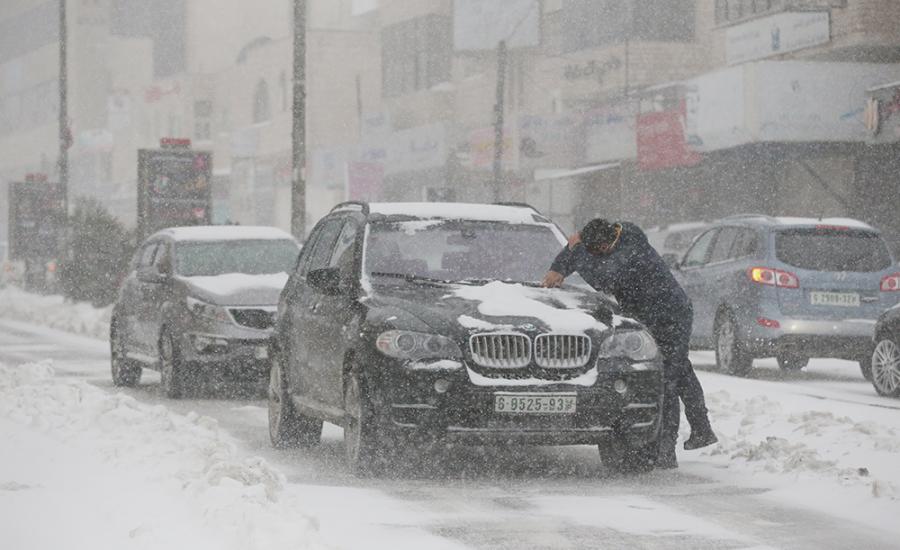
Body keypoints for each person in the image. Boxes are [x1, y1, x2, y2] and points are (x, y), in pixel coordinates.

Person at [541, 218, 717, 468]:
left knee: (667, 378)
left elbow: (602, 278)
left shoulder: (631, 250)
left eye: (597, 251)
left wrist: (576, 250)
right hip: (648, 313)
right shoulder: (612, 233)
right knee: (680, 370)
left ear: (608, 242)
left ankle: (666, 451)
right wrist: (558, 266)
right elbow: (581, 244)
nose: (596, 255)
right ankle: (702, 430)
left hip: (669, 314)